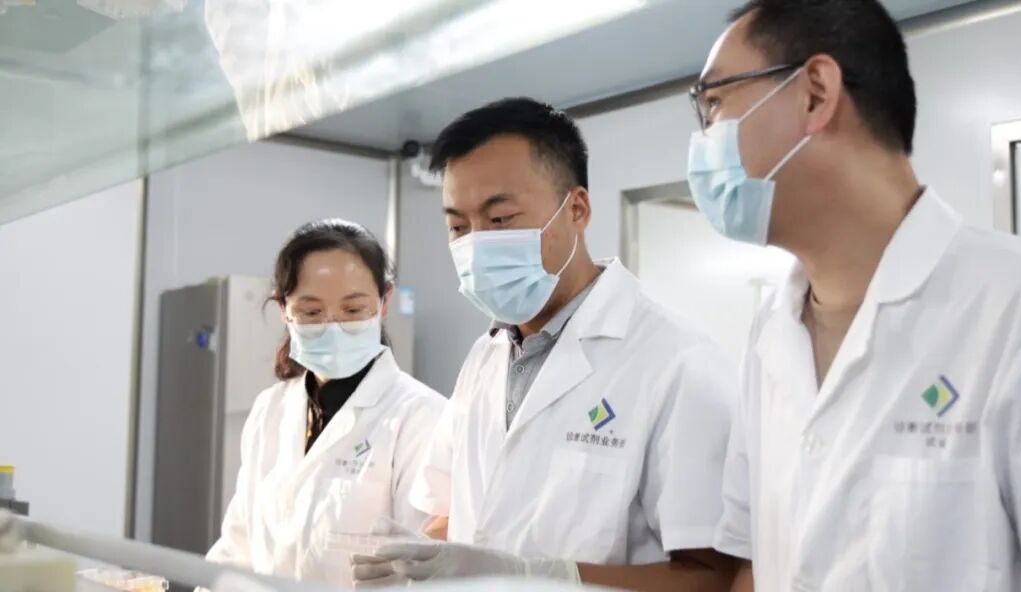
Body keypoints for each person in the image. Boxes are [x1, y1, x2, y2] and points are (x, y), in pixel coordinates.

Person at [688, 0, 1021, 590]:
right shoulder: (772, 333)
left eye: (715, 102)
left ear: (815, 93)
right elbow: (753, 564)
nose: (705, 137)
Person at [351, 98, 744, 590]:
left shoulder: (678, 364)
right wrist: (417, 561)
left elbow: (713, 577)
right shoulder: (486, 358)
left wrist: (545, 579)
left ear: (576, 209)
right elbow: (454, 514)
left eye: (500, 219)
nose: (476, 244)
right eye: (458, 227)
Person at [203, 220, 446, 588]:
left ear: (384, 302)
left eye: (353, 310)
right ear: (284, 308)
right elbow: (239, 547)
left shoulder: (421, 417)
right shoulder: (271, 409)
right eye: (312, 313)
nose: (333, 327)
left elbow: (421, 569)